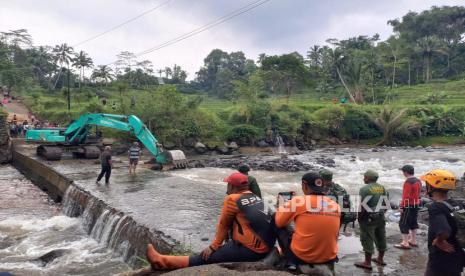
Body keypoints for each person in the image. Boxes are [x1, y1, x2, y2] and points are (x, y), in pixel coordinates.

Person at [146, 172, 275, 270]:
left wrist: (214, 246)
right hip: (267, 246)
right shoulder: (256, 197)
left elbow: (223, 225)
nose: (227, 187)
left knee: (204, 257)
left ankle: (162, 261)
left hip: (252, 250)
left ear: (231, 186)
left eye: (228, 184)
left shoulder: (232, 199)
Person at [275, 172, 340, 274]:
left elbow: (279, 223)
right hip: (329, 257)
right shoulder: (335, 205)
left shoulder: (297, 202)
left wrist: (282, 206)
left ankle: (284, 257)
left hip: (304, 257)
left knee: (276, 220)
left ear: (304, 185)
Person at [421, 169, 465, 276]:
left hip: (441, 259)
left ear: (431, 186)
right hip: (458, 254)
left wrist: (439, 241)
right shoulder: (458, 203)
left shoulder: (436, 207)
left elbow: (444, 231)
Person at [354, 170, 389, 270]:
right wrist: (381, 214)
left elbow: (362, 205)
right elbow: (386, 204)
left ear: (368, 178)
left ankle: (367, 262)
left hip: (368, 218)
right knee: (381, 236)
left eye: (364, 177)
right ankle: (380, 259)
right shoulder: (382, 187)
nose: (363, 178)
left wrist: (359, 217)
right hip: (380, 216)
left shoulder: (364, 189)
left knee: (367, 237)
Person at [395, 165, 422, 250]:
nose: (403, 173)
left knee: (403, 223)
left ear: (406, 172)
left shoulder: (408, 182)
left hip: (408, 205)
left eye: (403, 171)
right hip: (416, 204)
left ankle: (405, 243)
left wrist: (402, 207)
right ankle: (413, 241)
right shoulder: (418, 181)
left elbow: (406, 196)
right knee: (413, 222)